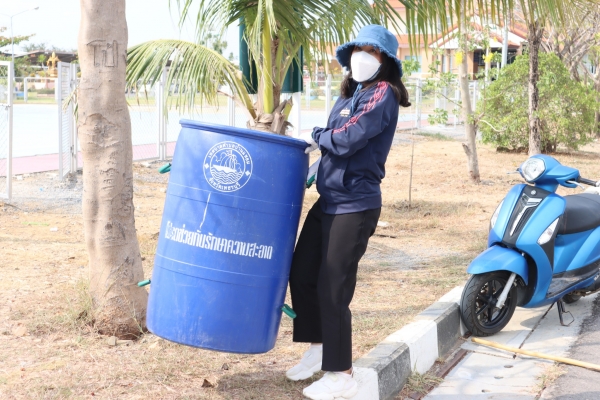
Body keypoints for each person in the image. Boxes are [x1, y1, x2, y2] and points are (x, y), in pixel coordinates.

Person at [286, 24, 411, 399]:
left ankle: (342, 373)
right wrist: (313, 166)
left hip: (355, 206)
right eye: (358, 49)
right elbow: (332, 145)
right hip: (329, 201)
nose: (362, 56)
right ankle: (318, 347)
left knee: (333, 288)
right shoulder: (350, 94)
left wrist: (315, 135)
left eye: (371, 51)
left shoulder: (383, 93)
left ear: (385, 60)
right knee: (302, 272)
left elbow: (348, 138)